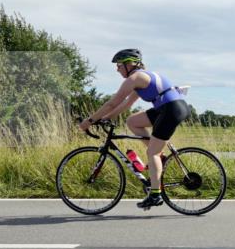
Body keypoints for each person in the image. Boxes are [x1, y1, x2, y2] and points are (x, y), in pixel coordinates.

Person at [79, 49, 189, 209]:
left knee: (151, 152)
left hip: (171, 110)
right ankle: (161, 157)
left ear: (129, 64)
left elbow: (113, 102)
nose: (117, 69)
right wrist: (107, 118)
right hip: (168, 108)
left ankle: (155, 195)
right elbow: (126, 104)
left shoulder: (135, 78)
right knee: (132, 121)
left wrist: (89, 121)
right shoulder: (142, 78)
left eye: (119, 65)